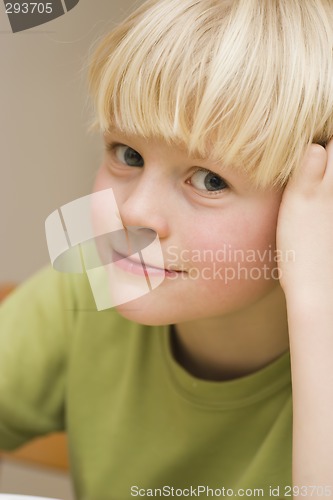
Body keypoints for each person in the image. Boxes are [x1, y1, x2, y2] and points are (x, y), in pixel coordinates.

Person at [1, 0, 333, 498]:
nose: (134, 212)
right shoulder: (90, 286)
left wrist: (314, 304)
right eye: (128, 154)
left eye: (209, 180)